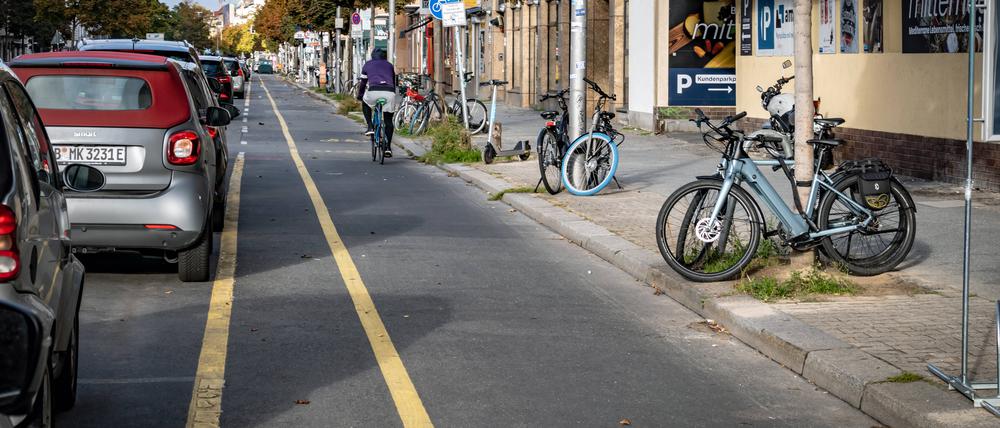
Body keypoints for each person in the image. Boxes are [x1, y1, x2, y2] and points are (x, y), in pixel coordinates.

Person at [357, 48, 397, 158]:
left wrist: (360, 96)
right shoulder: (389, 65)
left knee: (366, 103)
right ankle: (388, 147)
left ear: (372, 56)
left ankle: (370, 126)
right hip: (389, 93)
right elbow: (394, 82)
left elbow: (363, 83)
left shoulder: (367, 65)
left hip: (373, 91)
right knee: (388, 121)